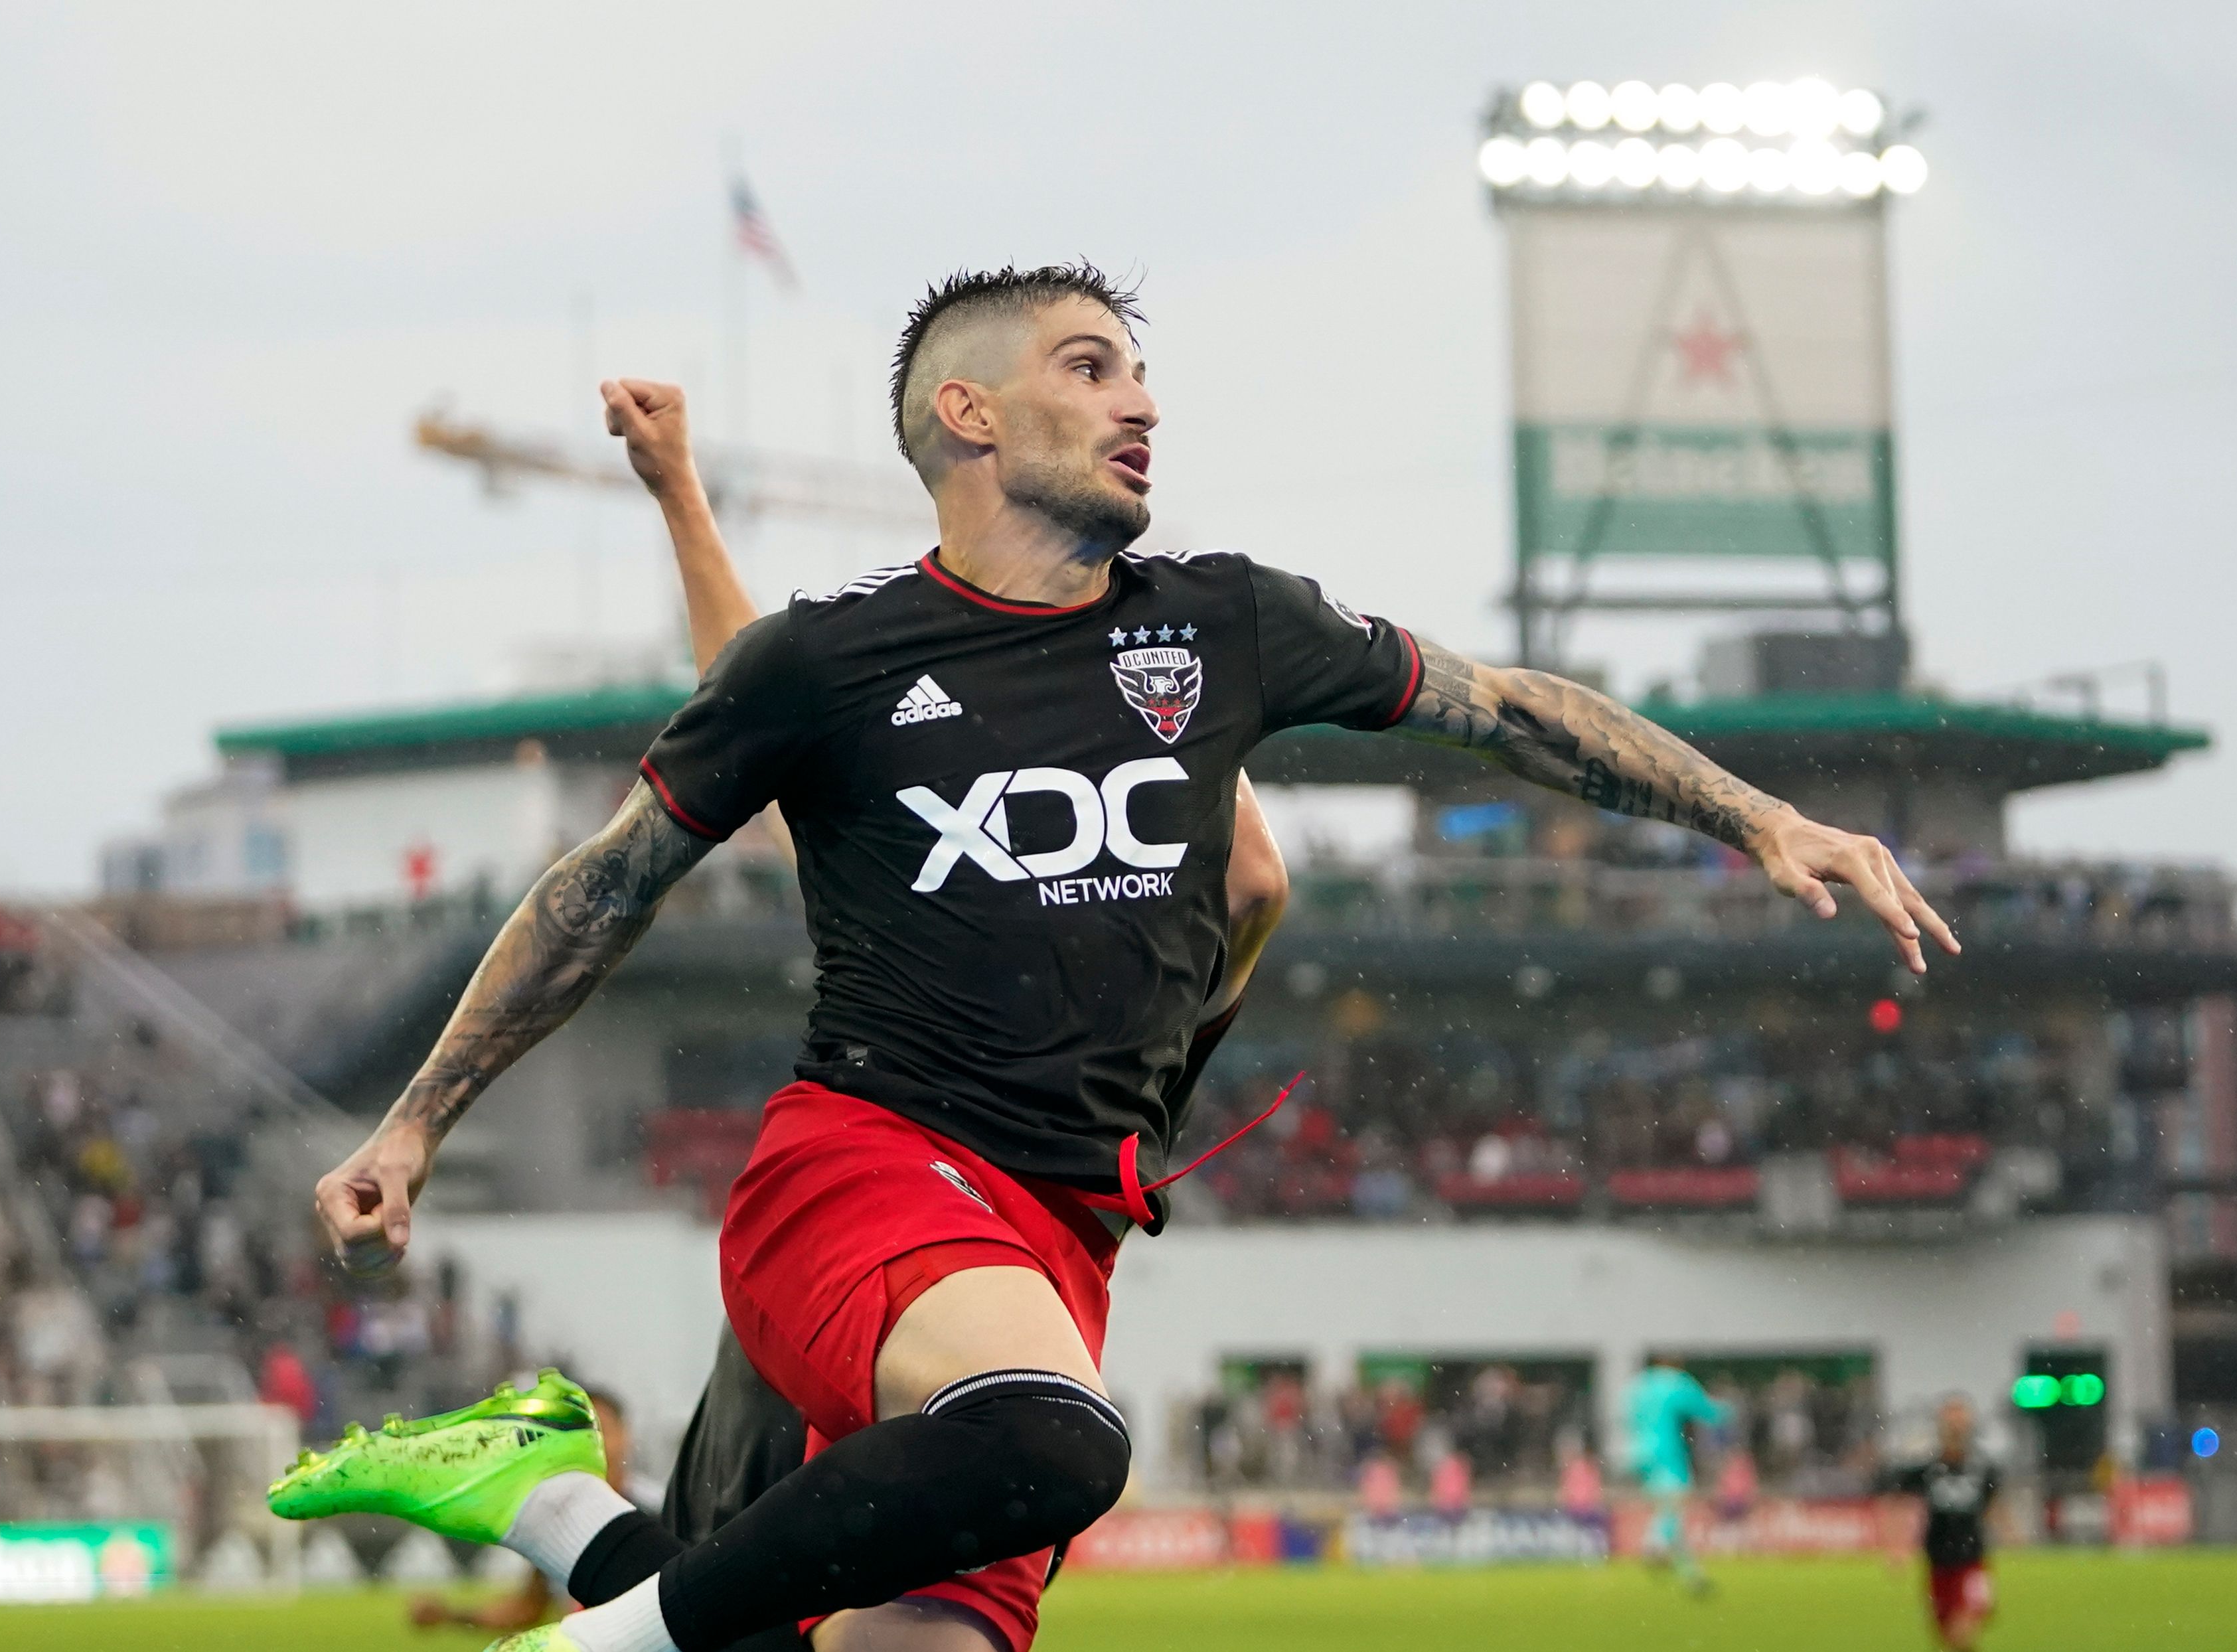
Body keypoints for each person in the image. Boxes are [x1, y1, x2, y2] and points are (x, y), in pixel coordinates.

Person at [269, 262, 1956, 1652]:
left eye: (1143, 373)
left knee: (849, 1607)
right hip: (862, 1169)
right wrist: (415, 1121)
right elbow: (608, 881)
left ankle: (549, 1499)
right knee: (1051, 1435)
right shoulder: (842, 656)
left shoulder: (1221, 623)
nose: (1142, 400)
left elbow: (1503, 705)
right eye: (1095, 367)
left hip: (1054, 1240)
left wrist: (1758, 819)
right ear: (969, 413)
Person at [618, 364, 1294, 1598]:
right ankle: (555, 1511)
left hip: (892, 1252)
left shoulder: (934, 820)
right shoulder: (1105, 859)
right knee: (758, 1594)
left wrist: (680, 498)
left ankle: (552, 1506)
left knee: (758, 1589)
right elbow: (1253, 883)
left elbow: (1251, 881)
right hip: (930, 1254)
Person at [410, 1387, 633, 1636]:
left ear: (625, 1436)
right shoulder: (558, 1521)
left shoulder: (658, 1510)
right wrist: (450, 1615)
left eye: (601, 1430)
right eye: (580, 1434)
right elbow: (527, 1608)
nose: (594, 1444)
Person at [1889, 1395, 2000, 1651]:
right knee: (1948, 1639)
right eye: (1951, 1424)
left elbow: (1993, 1506)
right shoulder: (1927, 1469)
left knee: (1962, 1631)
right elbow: (1898, 1503)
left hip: (1972, 1561)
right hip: (1938, 1562)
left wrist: (2010, 1535)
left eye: (1961, 1423)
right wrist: (1898, 1547)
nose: (1956, 1430)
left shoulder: (1983, 1468)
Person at [1624, 1353, 1727, 1595]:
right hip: (1666, 1452)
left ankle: (1692, 1575)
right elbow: (1706, 1411)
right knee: (1675, 1503)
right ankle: (1654, 1544)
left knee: (1670, 1512)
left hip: (1639, 1454)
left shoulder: (1638, 1385)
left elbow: (1627, 1416)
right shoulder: (1674, 1381)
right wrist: (1727, 1410)